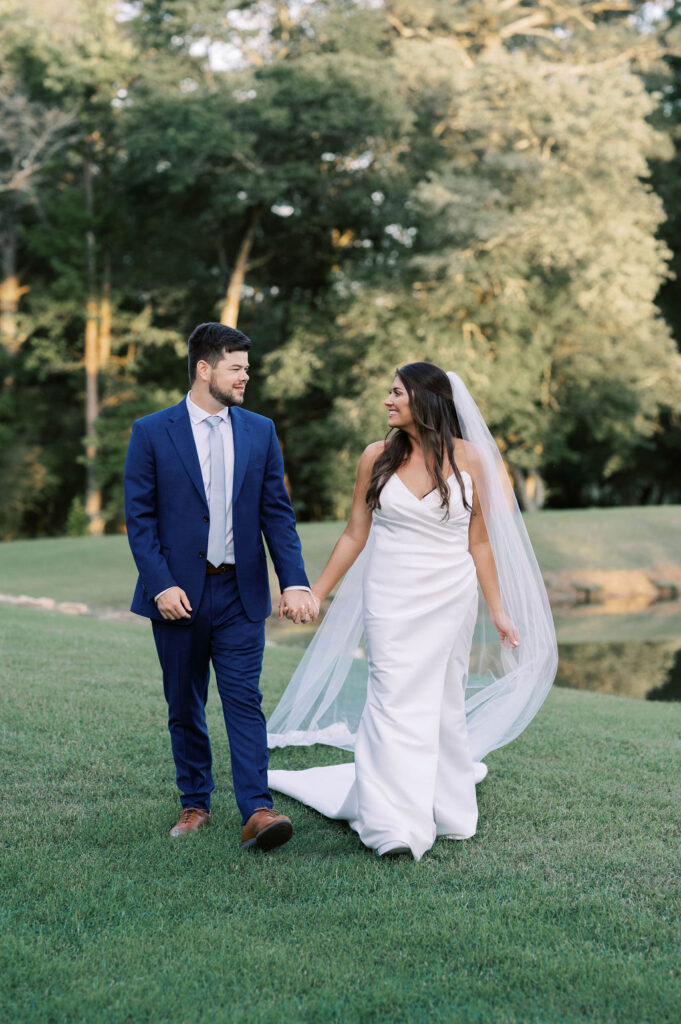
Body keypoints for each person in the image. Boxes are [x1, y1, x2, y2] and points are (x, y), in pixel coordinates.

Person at [268, 362, 557, 860]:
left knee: (443, 696)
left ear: (425, 400)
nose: (388, 400)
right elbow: (355, 533)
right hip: (389, 593)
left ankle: (445, 806)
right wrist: (316, 591)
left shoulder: (474, 460)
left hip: (451, 595)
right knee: (389, 692)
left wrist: (499, 610)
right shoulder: (375, 457)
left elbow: (481, 542)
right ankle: (389, 824)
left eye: (397, 392)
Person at [124, 322, 318, 851]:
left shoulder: (260, 430)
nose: (245, 378)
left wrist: (294, 581)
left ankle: (257, 810)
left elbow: (277, 515)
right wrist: (160, 585)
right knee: (184, 703)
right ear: (205, 369)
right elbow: (139, 522)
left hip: (240, 591)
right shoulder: (151, 432)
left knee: (243, 700)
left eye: (247, 369)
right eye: (237, 368)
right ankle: (195, 803)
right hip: (176, 598)